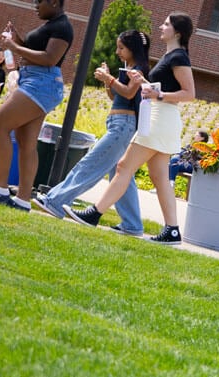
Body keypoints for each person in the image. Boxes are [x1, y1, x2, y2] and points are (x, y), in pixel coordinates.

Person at [65, 13, 195, 245]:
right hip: (161, 118)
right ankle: (172, 230)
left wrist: (159, 94)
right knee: (159, 177)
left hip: (160, 119)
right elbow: (159, 90)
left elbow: (189, 94)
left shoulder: (178, 57)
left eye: (166, 24)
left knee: (124, 165)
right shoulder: (172, 55)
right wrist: (143, 81)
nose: (161, 26)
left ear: (177, 32)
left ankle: (95, 213)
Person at [32, 29, 151, 235]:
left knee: (90, 164)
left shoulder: (138, 70)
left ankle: (56, 201)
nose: (117, 52)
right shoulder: (129, 68)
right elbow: (117, 97)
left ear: (133, 49)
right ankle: (132, 224)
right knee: (121, 175)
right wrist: (108, 81)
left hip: (123, 125)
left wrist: (110, 78)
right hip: (118, 122)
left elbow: (130, 92)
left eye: (121, 48)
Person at [0, 0, 72, 210]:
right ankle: (23, 199)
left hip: (41, 83)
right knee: (26, 141)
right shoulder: (53, 23)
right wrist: (18, 41)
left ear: (53, 2)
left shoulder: (62, 26)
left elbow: (50, 58)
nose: (35, 4)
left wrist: (14, 47)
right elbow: (37, 54)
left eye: (39, 1)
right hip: (37, 81)